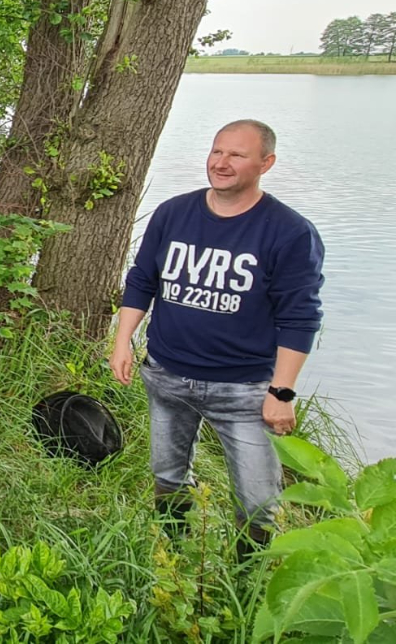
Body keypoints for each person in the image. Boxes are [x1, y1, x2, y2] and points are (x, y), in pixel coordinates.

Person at [109, 119, 325, 559]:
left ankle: (247, 586)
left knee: (259, 502)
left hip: (244, 389)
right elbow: (142, 280)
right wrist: (122, 341)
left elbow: (300, 317)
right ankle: (172, 564)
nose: (221, 163)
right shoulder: (174, 213)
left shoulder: (288, 232)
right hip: (168, 376)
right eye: (216, 151)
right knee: (168, 478)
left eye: (236, 155)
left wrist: (281, 391)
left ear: (266, 163)